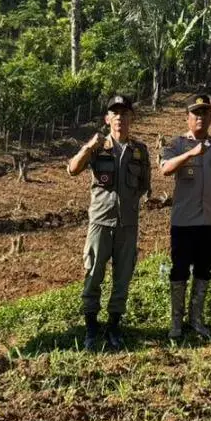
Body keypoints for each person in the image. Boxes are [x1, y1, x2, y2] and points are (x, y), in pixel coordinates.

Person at [67, 94, 152, 351]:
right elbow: (72, 169)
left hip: (128, 225)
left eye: (125, 113)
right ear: (107, 119)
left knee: (122, 278)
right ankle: (91, 326)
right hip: (100, 222)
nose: (120, 118)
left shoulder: (140, 151)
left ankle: (114, 325)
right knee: (93, 274)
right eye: (115, 114)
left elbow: (143, 185)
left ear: (131, 118)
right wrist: (88, 147)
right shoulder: (98, 147)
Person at [160, 94, 211, 339]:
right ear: (187, 118)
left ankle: (196, 319)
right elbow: (165, 169)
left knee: (204, 270)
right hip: (184, 221)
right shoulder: (177, 144)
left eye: (205, 113)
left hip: (210, 220)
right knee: (179, 270)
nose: (200, 118)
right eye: (196, 113)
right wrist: (191, 155)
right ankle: (176, 323)